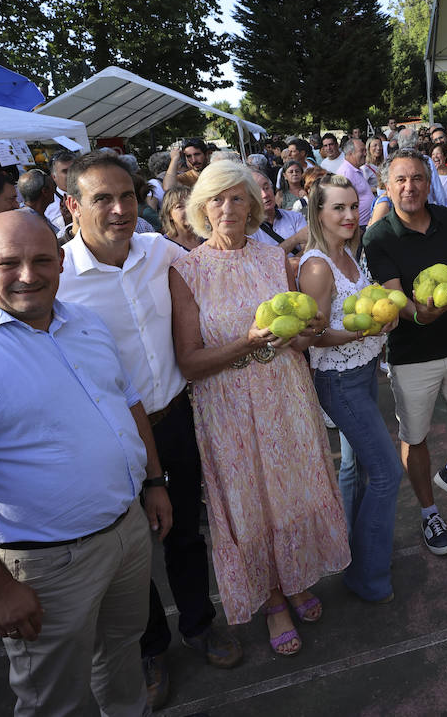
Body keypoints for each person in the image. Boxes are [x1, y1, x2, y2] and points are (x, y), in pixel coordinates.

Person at [0, 210, 173, 715]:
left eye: (42, 259)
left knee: (121, 657)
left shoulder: (83, 322)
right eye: (9, 263)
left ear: (61, 261)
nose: (28, 274)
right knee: (53, 700)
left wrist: (154, 481)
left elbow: (127, 402)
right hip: (45, 565)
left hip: (126, 533)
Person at [57, 152, 241, 706]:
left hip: (175, 419)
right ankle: (149, 648)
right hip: (108, 439)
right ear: (73, 206)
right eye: (102, 199)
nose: (119, 210)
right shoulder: (58, 278)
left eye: (128, 197)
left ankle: (199, 624)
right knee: (127, 554)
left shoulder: (160, 252)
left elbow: (222, 266)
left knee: (185, 533)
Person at [170, 162, 348, 657]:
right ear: (202, 208)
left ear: (253, 204)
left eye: (238, 198)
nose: (227, 209)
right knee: (249, 505)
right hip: (227, 408)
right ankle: (272, 599)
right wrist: (247, 344)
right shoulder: (187, 271)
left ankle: (293, 581)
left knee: (291, 493)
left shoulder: (275, 259)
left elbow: (299, 339)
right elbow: (189, 362)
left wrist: (308, 332)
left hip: (285, 395)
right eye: (216, 200)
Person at [363, 150, 447, 555]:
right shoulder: (378, 235)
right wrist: (420, 316)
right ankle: (428, 512)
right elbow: (394, 294)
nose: (410, 187)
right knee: (414, 437)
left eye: (417, 178)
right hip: (410, 353)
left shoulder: (445, 219)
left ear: (428, 182)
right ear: (387, 187)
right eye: (400, 180)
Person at [297, 175, 403, 602]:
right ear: (318, 213)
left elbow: (363, 309)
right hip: (339, 382)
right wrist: (367, 332)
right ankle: (367, 576)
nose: (347, 215)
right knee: (387, 473)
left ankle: (361, 554)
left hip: (362, 373)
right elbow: (315, 337)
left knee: (359, 473)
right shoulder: (318, 265)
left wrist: (384, 319)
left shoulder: (350, 255)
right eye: (336, 208)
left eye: (351, 206)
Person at [251, 172, 308, 255]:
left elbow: (308, 249)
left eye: (266, 188)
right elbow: (262, 263)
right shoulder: (249, 231)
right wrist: (296, 238)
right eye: (257, 192)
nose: (265, 195)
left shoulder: (295, 217)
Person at [161, 185, 203, 251]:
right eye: (180, 206)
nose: (188, 209)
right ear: (169, 215)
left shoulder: (206, 237)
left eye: (190, 204)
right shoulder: (165, 246)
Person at [44, 150, 75, 232]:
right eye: (65, 171)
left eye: (73, 169)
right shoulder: (48, 208)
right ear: (54, 177)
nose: (71, 174)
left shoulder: (91, 195)